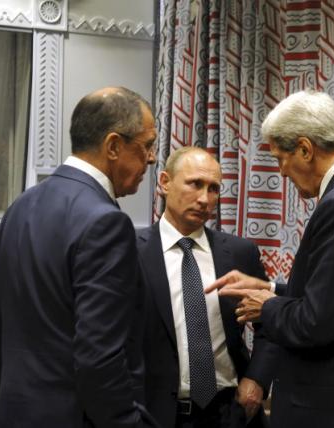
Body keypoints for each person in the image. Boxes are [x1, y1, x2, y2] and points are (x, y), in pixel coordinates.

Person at [207, 90, 334, 428]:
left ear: (304, 149)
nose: (282, 172)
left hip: (331, 410)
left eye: (279, 158)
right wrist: (269, 286)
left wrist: (266, 306)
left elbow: (317, 322)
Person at [0, 87, 159, 427]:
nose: (153, 158)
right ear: (113, 146)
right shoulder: (106, 222)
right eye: (147, 145)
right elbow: (99, 357)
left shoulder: (20, 207)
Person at [136, 146, 275, 428]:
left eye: (213, 189)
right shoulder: (130, 250)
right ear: (165, 182)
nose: (204, 199)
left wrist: (257, 380)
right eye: (195, 184)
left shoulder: (239, 252)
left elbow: (271, 323)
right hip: (156, 413)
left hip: (230, 412)